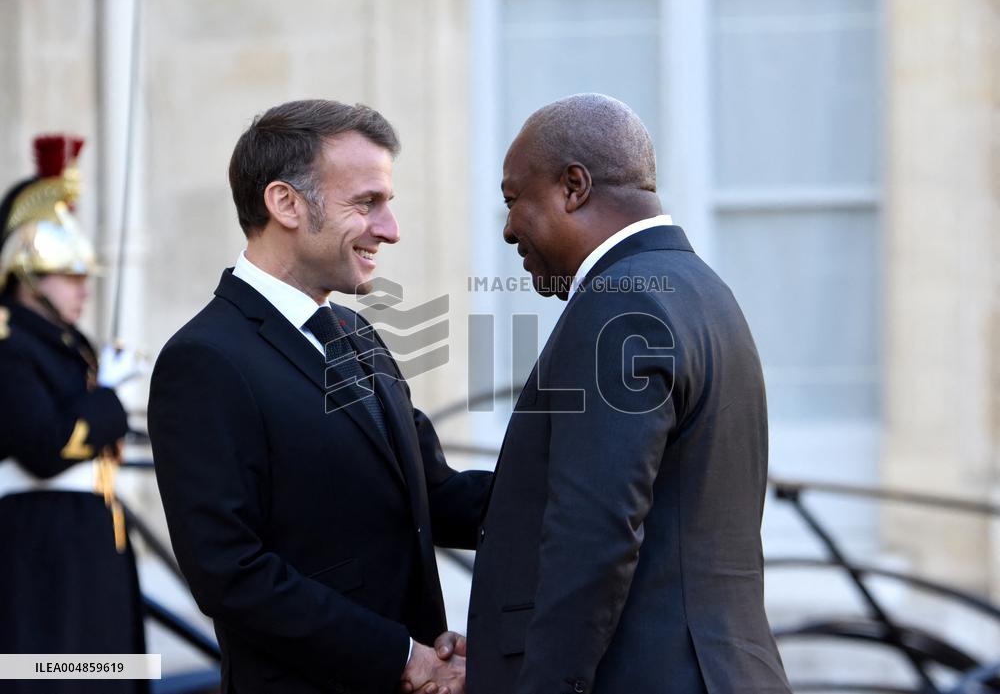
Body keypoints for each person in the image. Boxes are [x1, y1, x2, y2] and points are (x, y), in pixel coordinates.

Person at [147, 99, 491, 694]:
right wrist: (401, 656)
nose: (391, 229)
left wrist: (574, 480)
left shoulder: (355, 333)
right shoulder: (204, 360)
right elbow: (230, 573)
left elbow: (433, 495)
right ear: (285, 203)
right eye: (367, 203)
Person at [463, 94, 791, 693]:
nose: (508, 229)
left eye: (514, 201)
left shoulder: (619, 305)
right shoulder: (702, 290)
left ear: (573, 187)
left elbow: (595, 534)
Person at [0, 135, 147, 693]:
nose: (84, 288)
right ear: (28, 271)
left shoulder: (65, 345)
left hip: (89, 540)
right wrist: (106, 397)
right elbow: (43, 445)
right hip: (44, 547)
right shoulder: (10, 343)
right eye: (70, 274)